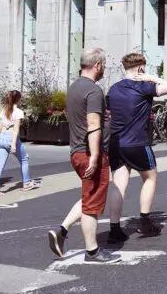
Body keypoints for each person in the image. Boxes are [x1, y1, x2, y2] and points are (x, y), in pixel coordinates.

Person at [46, 47, 120, 264]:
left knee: (90, 196)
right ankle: (92, 251)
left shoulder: (75, 87)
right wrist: (96, 155)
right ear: (97, 65)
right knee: (92, 206)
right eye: (104, 64)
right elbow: (93, 124)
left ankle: (62, 231)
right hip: (89, 153)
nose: (105, 67)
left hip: (77, 151)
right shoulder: (94, 91)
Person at [105, 53, 167, 244]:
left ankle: (114, 229)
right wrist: (151, 78)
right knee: (150, 178)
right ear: (141, 68)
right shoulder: (143, 86)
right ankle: (144, 220)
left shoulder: (113, 89)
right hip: (137, 142)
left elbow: (110, 111)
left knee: (119, 185)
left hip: (116, 143)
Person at [0, 90, 35, 196]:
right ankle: (26, 183)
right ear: (18, 99)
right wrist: (13, 144)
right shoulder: (18, 112)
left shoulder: (4, 110)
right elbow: (16, 129)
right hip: (11, 138)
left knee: (0, 165)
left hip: (2, 137)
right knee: (24, 159)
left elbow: (0, 127)